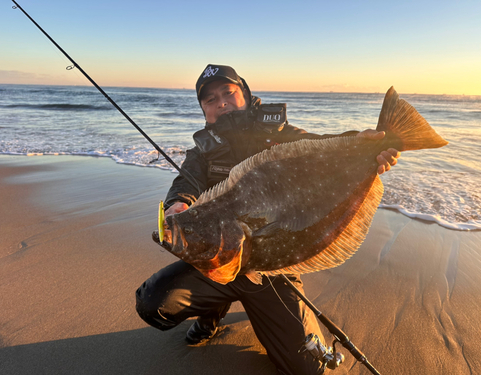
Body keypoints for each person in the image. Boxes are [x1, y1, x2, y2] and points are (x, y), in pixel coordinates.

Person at [135, 64, 400, 374]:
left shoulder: (281, 135)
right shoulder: (202, 152)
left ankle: (259, 308)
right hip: (216, 257)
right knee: (153, 303)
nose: (220, 102)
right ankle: (212, 312)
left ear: (245, 94)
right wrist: (177, 205)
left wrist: (364, 145)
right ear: (204, 111)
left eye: (228, 93)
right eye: (210, 99)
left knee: (307, 369)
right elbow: (186, 183)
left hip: (273, 267)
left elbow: (321, 146)